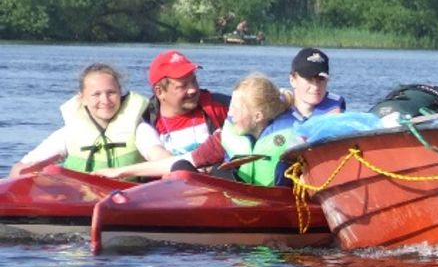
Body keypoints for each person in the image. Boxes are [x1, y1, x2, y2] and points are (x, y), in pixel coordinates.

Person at [100, 74, 298, 187]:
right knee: (182, 168)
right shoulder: (225, 137)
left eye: (236, 109)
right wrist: (121, 172)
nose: (229, 114)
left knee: (220, 175)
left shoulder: (295, 137)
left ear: (258, 116)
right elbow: (181, 161)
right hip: (238, 203)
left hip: (276, 204)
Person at [9, 63, 168, 177]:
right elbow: (20, 168)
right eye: (96, 94)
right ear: (82, 98)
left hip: (130, 200)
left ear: (120, 93)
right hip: (79, 201)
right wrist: (24, 172)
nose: (105, 100)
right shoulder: (69, 133)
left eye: (111, 92)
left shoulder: (140, 130)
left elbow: (162, 159)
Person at [143, 50, 230, 156]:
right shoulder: (147, 124)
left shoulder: (216, 106)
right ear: (160, 92)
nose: (192, 90)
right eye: (182, 86)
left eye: (194, 81)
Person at [288, 48, 346, 122]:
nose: (315, 86)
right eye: (308, 79)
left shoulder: (337, 113)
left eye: (321, 79)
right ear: (292, 80)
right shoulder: (275, 110)